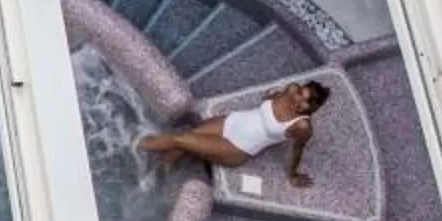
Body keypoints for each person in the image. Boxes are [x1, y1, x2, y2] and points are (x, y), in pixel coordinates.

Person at [138, 80, 332, 189]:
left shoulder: (302, 126)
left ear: (313, 108)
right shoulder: (290, 90)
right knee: (186, 138)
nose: (297, 100)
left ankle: (134, 144)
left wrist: (293, 174)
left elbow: (297, 150)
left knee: (179, 140)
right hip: (232, 122)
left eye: (306, 102)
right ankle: (162, 171)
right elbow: (271, 97)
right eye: (300, 94)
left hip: (238, 147)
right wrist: (270, 97)